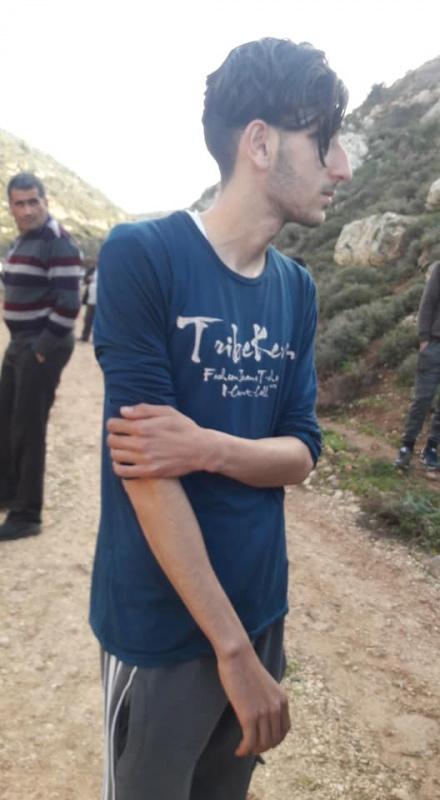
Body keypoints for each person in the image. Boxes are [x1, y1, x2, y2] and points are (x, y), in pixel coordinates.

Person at [91, 37, 351, 800]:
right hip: (163, 630)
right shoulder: (144, 254)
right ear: (261, 144)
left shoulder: (297, 288)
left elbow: (302, 453)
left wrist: (205, 445)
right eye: (325, 140)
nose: (342, 167)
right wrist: (232, 653)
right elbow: (146, 471)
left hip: (261, 606)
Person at [0, 172, 82, 540]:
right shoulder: (22, 241)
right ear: (11, 207)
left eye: (34, 201)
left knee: (28, 427)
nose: (28, 209)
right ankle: (7, 491)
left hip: (41, 344)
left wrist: (40, 351)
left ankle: (27, 514)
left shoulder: (56, 241)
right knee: (5, 419)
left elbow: (69, 304)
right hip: (20, 341)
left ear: (45, 201)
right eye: (20, 203)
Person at [394, 260, 440, 470]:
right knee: (422, 399)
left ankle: (431, 448)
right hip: (434, 346)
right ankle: (407, 446)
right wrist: (424, 339)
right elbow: (427, 303)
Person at [80, 265, 98, 342]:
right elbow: (85, 279)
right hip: (91, 299)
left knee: (99, 322)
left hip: (101, 300)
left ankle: (97, 339)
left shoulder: (107, 270)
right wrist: (88, 278)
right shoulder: (92, 269)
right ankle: (85, 336)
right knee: (88, 318)